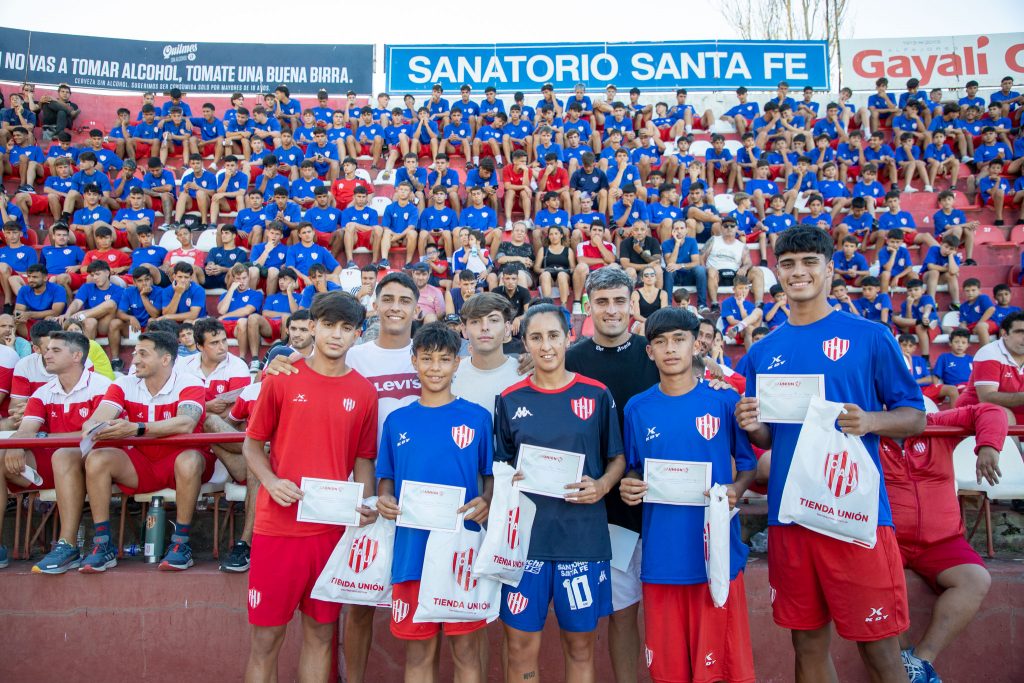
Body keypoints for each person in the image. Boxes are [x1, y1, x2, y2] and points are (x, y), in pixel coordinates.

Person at [736, 226, 925, 682]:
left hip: (855, 514)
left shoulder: (870, 336)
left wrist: (871, 421)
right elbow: (767, 438)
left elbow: (914, 416)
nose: (798, 272)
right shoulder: (763, 351)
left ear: (828, 269)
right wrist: (753, 423)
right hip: (791, 516)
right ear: (777, 271)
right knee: (807, 643)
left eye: (808, 263)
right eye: (788, 264)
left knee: (880, 648)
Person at [265, 272, 423, 683]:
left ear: (416, 308)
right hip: (357, 495)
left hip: (422, 491)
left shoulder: (431, 352)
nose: (395, 306)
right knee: (358, 604)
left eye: (404, 300)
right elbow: (315, 366)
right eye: (386, 298)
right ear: (375, 305)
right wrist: (281, 360)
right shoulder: (355, 355)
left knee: (435, 604)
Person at [243, 292, 378, 683]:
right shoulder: (282, 379)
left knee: (321, 635)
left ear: (357, 334)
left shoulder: (364, 392)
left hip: (330, 531)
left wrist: (365, 502)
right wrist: (271, 481)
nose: (336, 335)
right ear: (312, 326)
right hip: (278, 527)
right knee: (266, 638)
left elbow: (362, 460)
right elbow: (251, 444)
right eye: (329, 325)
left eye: (346, 328)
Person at [620, 307, 756, 683]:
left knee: (721, 670)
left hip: (716, 555)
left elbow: (748, 467)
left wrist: (736, 489)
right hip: (663, 556)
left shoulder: (723, 401)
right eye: (660, 342)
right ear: (649, 352)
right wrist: (629, 484)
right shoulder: (637, 408)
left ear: (697, 344)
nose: (670, 349)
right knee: (669, 671)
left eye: (679, 339)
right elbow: (633, 467)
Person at [495, 303, 625, 683]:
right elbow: (500, 466)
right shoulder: (509, 399)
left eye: (553, 335)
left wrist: (601, 485)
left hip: (581, 540)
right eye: (536, 337)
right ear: (524, 344)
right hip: (525, 545)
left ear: (570, 337)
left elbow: (617, 458)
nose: (546, 346)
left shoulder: (597, 395)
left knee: (581, 647)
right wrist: (510, 480)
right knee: (519, 648)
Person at [376, 322, 493, 683]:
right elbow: (386, 478)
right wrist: (383, 498)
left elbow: (489, 476)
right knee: (419, 654)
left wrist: (487, 500)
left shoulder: (478, 417)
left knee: (466, 653)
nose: (435, 367)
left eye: (444, 359)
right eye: (427, 359)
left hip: (461, 551)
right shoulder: (397, 421)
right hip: (412, 551)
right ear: (414, 361)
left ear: (457, 363)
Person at [564, 266, 659, 683]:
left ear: (632, 302)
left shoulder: (655, 353)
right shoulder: (569, 360)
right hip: (588, 505)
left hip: (651, 501)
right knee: (592, 616)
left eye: (620, 300)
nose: (612, 310)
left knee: (631, 613)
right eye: (602, 302)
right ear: (588, 306)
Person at [882, 403, 1003, 683]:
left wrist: (988, 446)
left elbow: (989, 411)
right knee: (881, 580)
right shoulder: (867, 428)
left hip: (941, 539)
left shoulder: (935, 423)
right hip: (887, 537)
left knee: (975, 579)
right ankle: (902, 659)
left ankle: (919, 661)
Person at [79, 331, 215, 573]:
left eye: (143, 353)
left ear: (165, 359)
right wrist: (98, 428)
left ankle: (181, 543)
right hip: (141, 461)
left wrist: (137, 428)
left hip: (179, 459)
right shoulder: (123, 383)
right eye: (134, 353)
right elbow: (94, 421)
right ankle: (102, 544)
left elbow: (186, 423)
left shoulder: (190, 381)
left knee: (190, 459)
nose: (134, 359)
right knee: (98, 458)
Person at [0, 332, 111, 573]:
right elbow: (27, 428)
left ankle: (67, 545)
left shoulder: (103, 386)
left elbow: (91, 435)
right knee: (1, 457)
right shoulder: (43, 392)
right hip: (54, 462)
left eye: (55, 350)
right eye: (46, 349)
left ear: (76, 356)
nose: (46, 354)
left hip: (94, 463)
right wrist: (17, 442)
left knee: (63, 454)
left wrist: (41, 438)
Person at [451, 293, 523, 411]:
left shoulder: (525, 372)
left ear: (507, 329)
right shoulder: (450, 375)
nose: (485, 327)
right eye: (475, 321)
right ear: (464, 330)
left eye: (493, 320)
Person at [957, 311, 1024, 425]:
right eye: (1019, 332)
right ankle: (1013, 444)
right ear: (1004, 334)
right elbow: (986, 397)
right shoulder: (989, 353)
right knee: (1003, 414)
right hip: (974, 411)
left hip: (1013, 411)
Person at [630, 266, 667, 337]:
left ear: (655, 278)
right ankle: (642, 347)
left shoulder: (663, 293)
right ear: (642, 279)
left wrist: (654, 322)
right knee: (643, 327)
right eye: (646, 275)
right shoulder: (635, 293)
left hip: (658, 322)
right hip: (640, 322)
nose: (649, 277)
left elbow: (663, 313)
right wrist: (648, 322)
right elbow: (636, 315)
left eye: (652, 275)